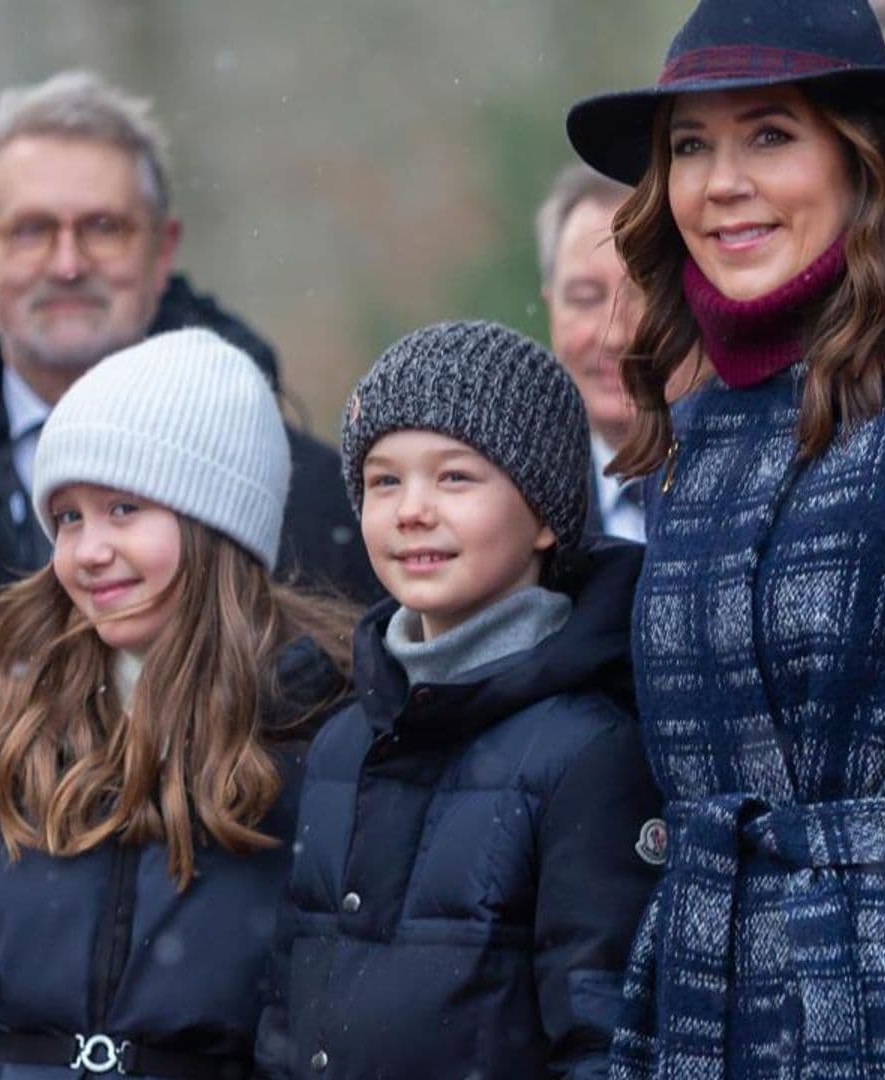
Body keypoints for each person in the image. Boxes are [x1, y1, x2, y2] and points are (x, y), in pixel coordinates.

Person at [566, 0, 885, 1076]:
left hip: (884, 1020)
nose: (719, 181)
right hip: (691, 1007)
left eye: (769, 134)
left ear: (862, 164)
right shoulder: (689, 440)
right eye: (691, 145)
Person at [256, 321, 662, 1079]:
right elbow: (290, 1008)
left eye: (454, 478)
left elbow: (603, 1036)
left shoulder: (589, 752)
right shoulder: (345, 740)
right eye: (384, 480)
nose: (412, 509)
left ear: (544, 515)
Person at [0, 328, 354, 1078]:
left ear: (216, 525)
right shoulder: (3, 722)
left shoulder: (322, 735)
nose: (87, 549)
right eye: (68, 516)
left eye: (123, 507)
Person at [0, 69, 376, 649]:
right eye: (32, 231)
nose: (68, 264)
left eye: (104, 227)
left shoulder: (310, 497)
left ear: (164, 250)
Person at [537, 162, 646, 541]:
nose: (615, 335)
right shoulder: (523, 514)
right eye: (586, 298)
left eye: (644, 294)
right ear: (551, 309)